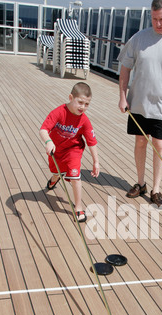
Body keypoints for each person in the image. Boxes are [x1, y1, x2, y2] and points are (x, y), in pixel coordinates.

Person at [118, 0, 162, 207]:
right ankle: (140, 183)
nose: (157, 23)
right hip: (138, 104)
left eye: (161, 19)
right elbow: (125, 69)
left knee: (159, 146)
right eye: (154, 19)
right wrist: (123, 96)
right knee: (140, 142)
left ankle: (156, 189)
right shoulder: (139, 39)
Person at [40, 82, 99, 222]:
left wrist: (96, 162)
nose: (83, 107)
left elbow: (92, 142)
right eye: (80, 102)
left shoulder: (84, 120)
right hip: (56, 149)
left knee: (75, 176)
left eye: (87, 104)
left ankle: (78, 208)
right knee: (56, 171)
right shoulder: (59, 112)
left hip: (73, 150)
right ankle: (55, 178)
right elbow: (43, 129)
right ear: (71, 97)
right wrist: (48, 141)